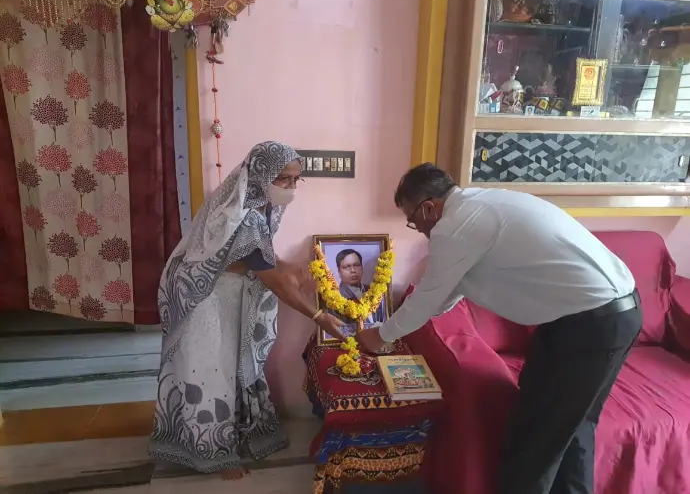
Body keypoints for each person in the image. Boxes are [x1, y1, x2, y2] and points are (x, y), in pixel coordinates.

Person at [356, 163, 643, 494]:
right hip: (609, 316)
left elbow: (427, 298)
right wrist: (395, 328)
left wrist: (380, 336)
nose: (417, 229)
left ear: (428, 208)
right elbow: (445, 294)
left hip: (589, 326)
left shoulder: (454, 226)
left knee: (534, 441)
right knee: (571, 430)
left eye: (413, 220)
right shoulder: (484, 203)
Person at [150, 142, 345, 478]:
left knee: (235, 365)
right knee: (210, 371)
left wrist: (291, 267)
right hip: (203, 298)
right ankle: (215, 454)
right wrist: (317, 316)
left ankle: (239, 434)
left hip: (225, 293)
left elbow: (259, 256)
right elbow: (272, 279)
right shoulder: (244, 214)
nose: (291, 187)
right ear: (261, 175)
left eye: (296, 179)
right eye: (284, 179)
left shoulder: (259, 205)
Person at [332, 248, 386, 336]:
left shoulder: (374, 290)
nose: (353, 270)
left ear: (362, 268)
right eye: (347, 267)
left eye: (356, 265)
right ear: (339, 272)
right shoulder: (335, 297)